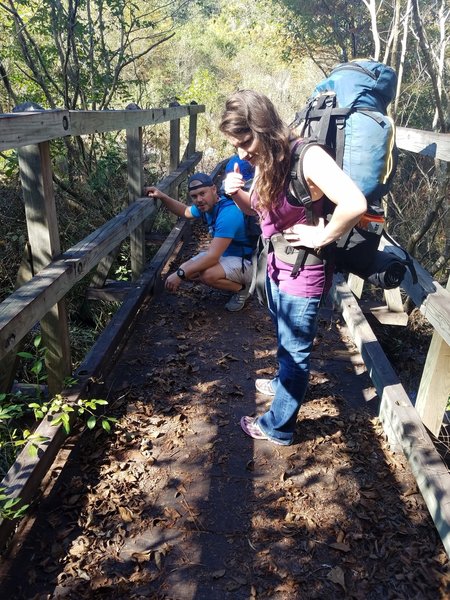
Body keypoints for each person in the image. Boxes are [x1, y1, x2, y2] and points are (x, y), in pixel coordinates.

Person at [219, 89, 367, 445]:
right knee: (286, 339)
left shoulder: (308, 157)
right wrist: (235, 192)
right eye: (236, 145)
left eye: (246, 141)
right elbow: (259, 212)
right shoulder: (267, 159)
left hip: (304, 274)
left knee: (297, 355)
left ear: (264, 127)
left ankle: (278, 427)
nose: (242, 152)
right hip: (276, 264)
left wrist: (323, 236)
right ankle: (283, 383)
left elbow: (355, 202)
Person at [144, 159, 255, 312]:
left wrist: (180, 274)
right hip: (228, 256)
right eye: (194, 196)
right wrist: (162, 196)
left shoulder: (228, 213)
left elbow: (212, 257)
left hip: (248, 263)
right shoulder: (208, 206)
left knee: (206, 274)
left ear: (214, 190)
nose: (199, 200)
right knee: (189, 269)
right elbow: (185, 211)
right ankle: (227, 279)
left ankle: (243, 289)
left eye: (203, 194)